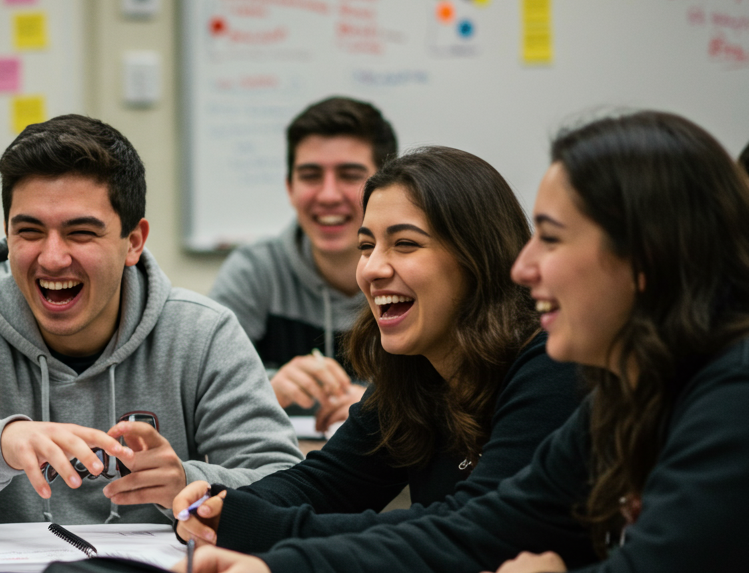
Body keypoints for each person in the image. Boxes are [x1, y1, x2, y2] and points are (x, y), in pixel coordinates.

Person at [183, 112, 749, 573]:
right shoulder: (635, 388)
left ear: (646, 259)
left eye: (551, 238)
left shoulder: (728, 394)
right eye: (367, 245)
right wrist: (273, 561)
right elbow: (481, 530)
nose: (525, 267)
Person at [0, 114, 301, 530]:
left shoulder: (202, 334)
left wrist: (188, 484)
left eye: (80, 233)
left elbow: (292, 489)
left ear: (133, 242)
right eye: (29, 231)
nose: (53, 257)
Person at [170, 147, 580, 552]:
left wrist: (260, 528)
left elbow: (474, 527)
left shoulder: (550, 365)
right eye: (366, 246)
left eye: (404, 244)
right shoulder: (415, 371)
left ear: (477, 258)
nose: (371, 269)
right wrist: (220, 505)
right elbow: (327, 484)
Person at [210, 97, 397, 430]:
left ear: (387, 189)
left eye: (349, 175)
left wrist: (379, 406)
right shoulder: (254, 270)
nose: (327, 195)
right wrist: (264, 389)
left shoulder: (414, 275)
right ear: (289, 187)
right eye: (311, 175)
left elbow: (457, 394)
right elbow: (205, 387)